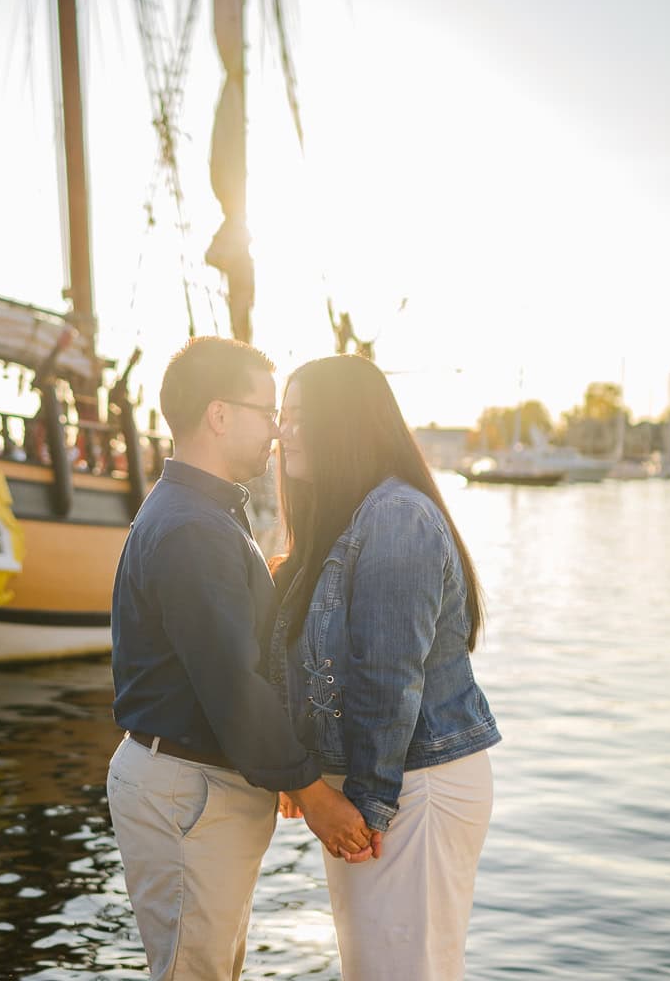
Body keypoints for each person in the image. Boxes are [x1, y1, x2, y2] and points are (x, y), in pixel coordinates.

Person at [107, 337, 374, 981]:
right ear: (219, 415)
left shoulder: (202, 511)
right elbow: (231, 683)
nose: (278, 431)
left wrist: (277, 769)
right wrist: (311, 791)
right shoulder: (195, 527)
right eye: (265, 412)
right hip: (188, 790)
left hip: (198, 783)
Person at [270, 354, 501, 980]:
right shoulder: (347, 517)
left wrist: (367, 807)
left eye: (296, 418)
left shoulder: (396, 518)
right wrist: (309, 772)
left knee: (405, 970)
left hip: (412, 783)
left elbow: (387, 677)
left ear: (341, 424)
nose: (281, 433)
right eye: (279, 418)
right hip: (379, 780)